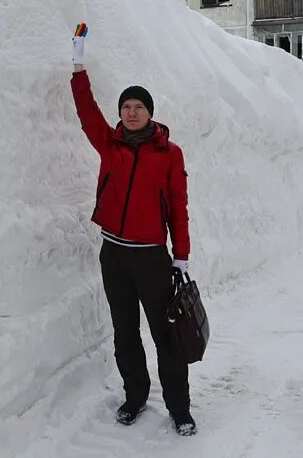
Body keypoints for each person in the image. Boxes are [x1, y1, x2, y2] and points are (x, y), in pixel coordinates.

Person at [69, 22, 197, 436]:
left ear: (150, 113)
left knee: (165, 335)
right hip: (114, 253)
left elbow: (178, 205)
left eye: (138, 106)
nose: (130, 111)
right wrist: (78, 67)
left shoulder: (168, 154)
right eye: (125, 106)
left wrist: (181, 254)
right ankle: (136, 396)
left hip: (151, 257)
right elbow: (87, 112)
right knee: (125, 332)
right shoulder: (111, 144)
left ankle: (179, 407)